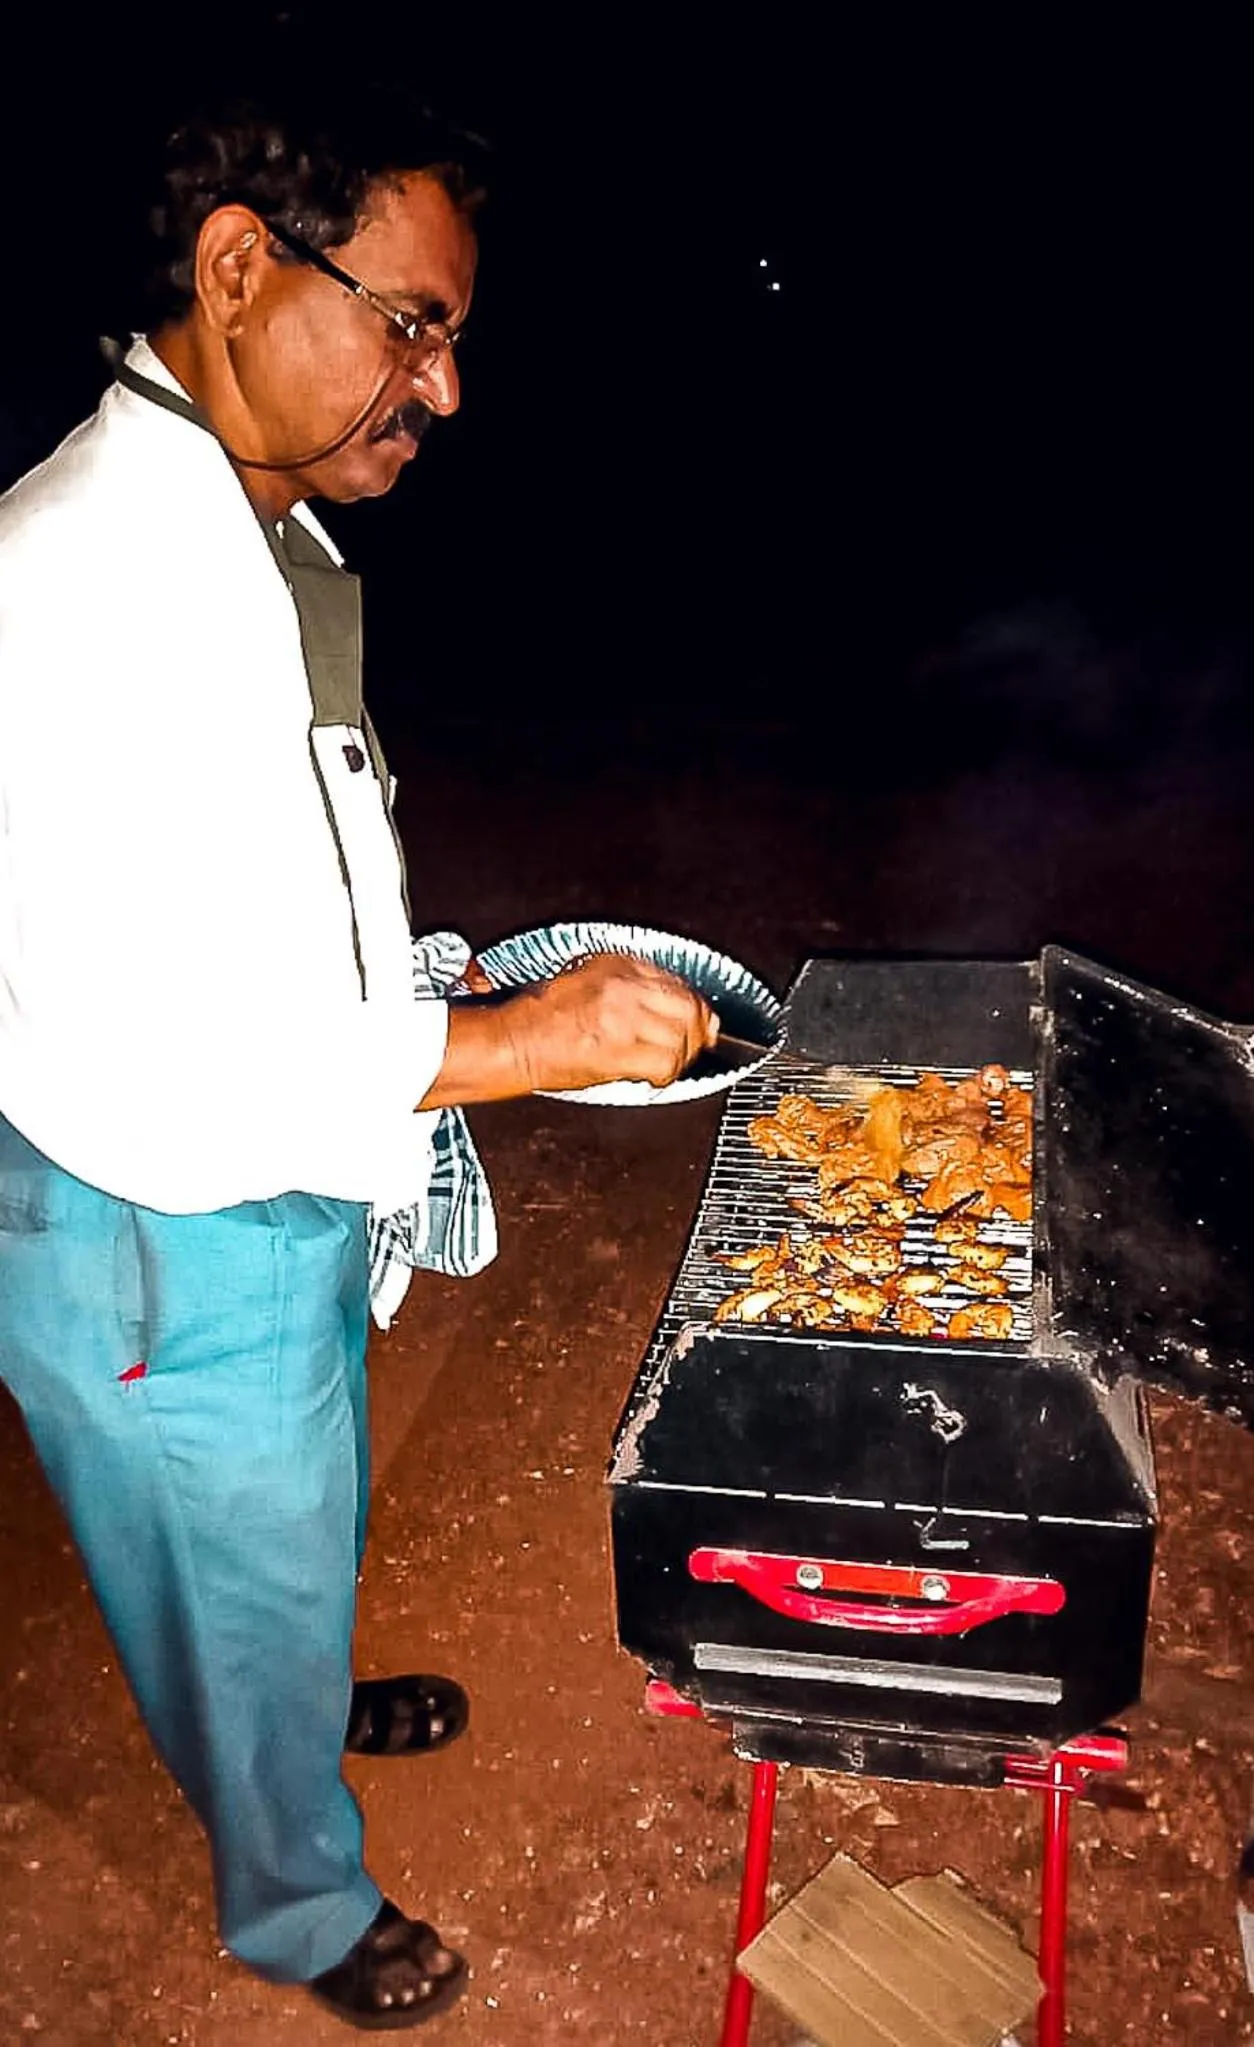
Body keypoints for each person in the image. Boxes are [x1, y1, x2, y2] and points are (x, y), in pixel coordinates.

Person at [0, 90, 714, 2031]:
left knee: (286, 1520)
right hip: (159, 1213)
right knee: (226, 1551)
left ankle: (290, 1692)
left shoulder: (249, 527)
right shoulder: (102, 583)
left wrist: (405, 981)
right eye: (412, 323)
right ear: (240, 267)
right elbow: (183, 1050)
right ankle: (296, 1901)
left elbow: (257, 880)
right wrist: (527, 1040)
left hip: (264, 1171)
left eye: (448, 334)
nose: (445, 386)